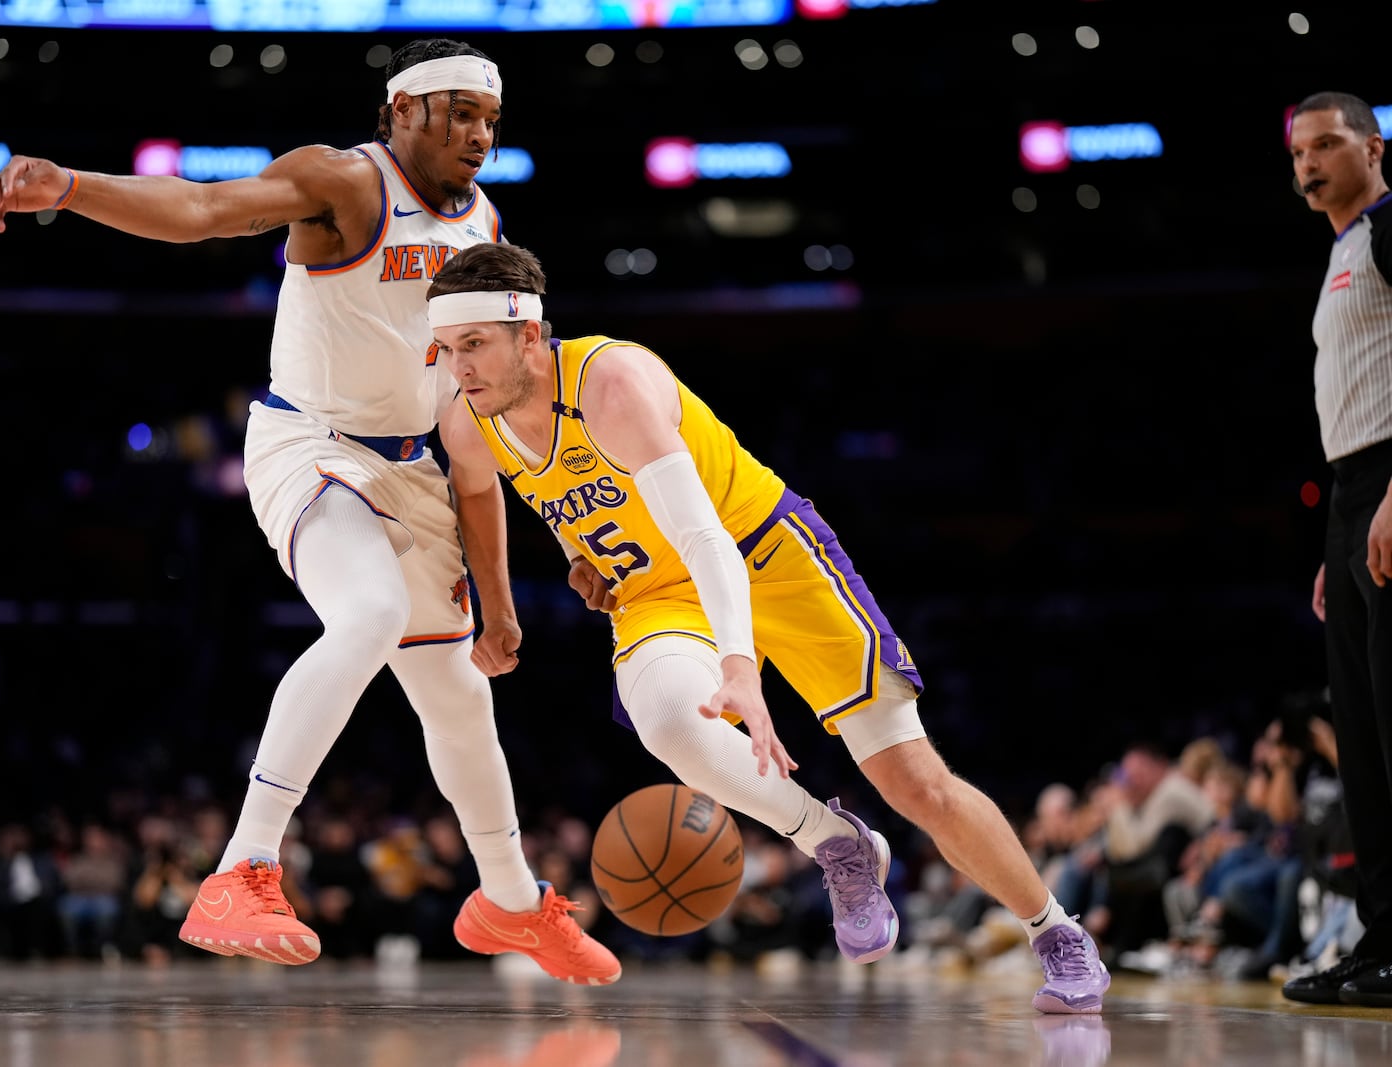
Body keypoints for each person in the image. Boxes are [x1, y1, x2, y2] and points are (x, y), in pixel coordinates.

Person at [0, 39, 620, 985]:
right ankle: (243, 866)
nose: (481, 133)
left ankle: (511, 902)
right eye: (460, 113)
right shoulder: (344, 182)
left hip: (412, 467)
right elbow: (201, 209)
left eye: (491, 118)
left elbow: (473, 439)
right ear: (402, 111)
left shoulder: (483, 224)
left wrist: (497, 593)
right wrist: (71, 185)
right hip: (308, 442)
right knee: (366, 614)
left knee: (459, 694)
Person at [426, 243, 1111, 1013]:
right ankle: (835, 842)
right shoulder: (468, 417)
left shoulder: (611, 382)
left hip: (764, 551)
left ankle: (1055, 931)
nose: (461, 367)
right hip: (656, 591)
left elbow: (704, 538)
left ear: (530, 335)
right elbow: (499, 494)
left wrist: (739, 664)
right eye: (448, 350)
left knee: (918, 783)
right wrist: (542, 577)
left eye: (475, 343)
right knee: (667, 722)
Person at [1280, 90, 1392, 1008]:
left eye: (1326, 145)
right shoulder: (1341, 252)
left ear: (1373, 146)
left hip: (1389, 485)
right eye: (1297, 154)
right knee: (1361, 737)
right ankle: (1383, 940)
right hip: (1354, 496)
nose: (1309, 164)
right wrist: (1342, 532)